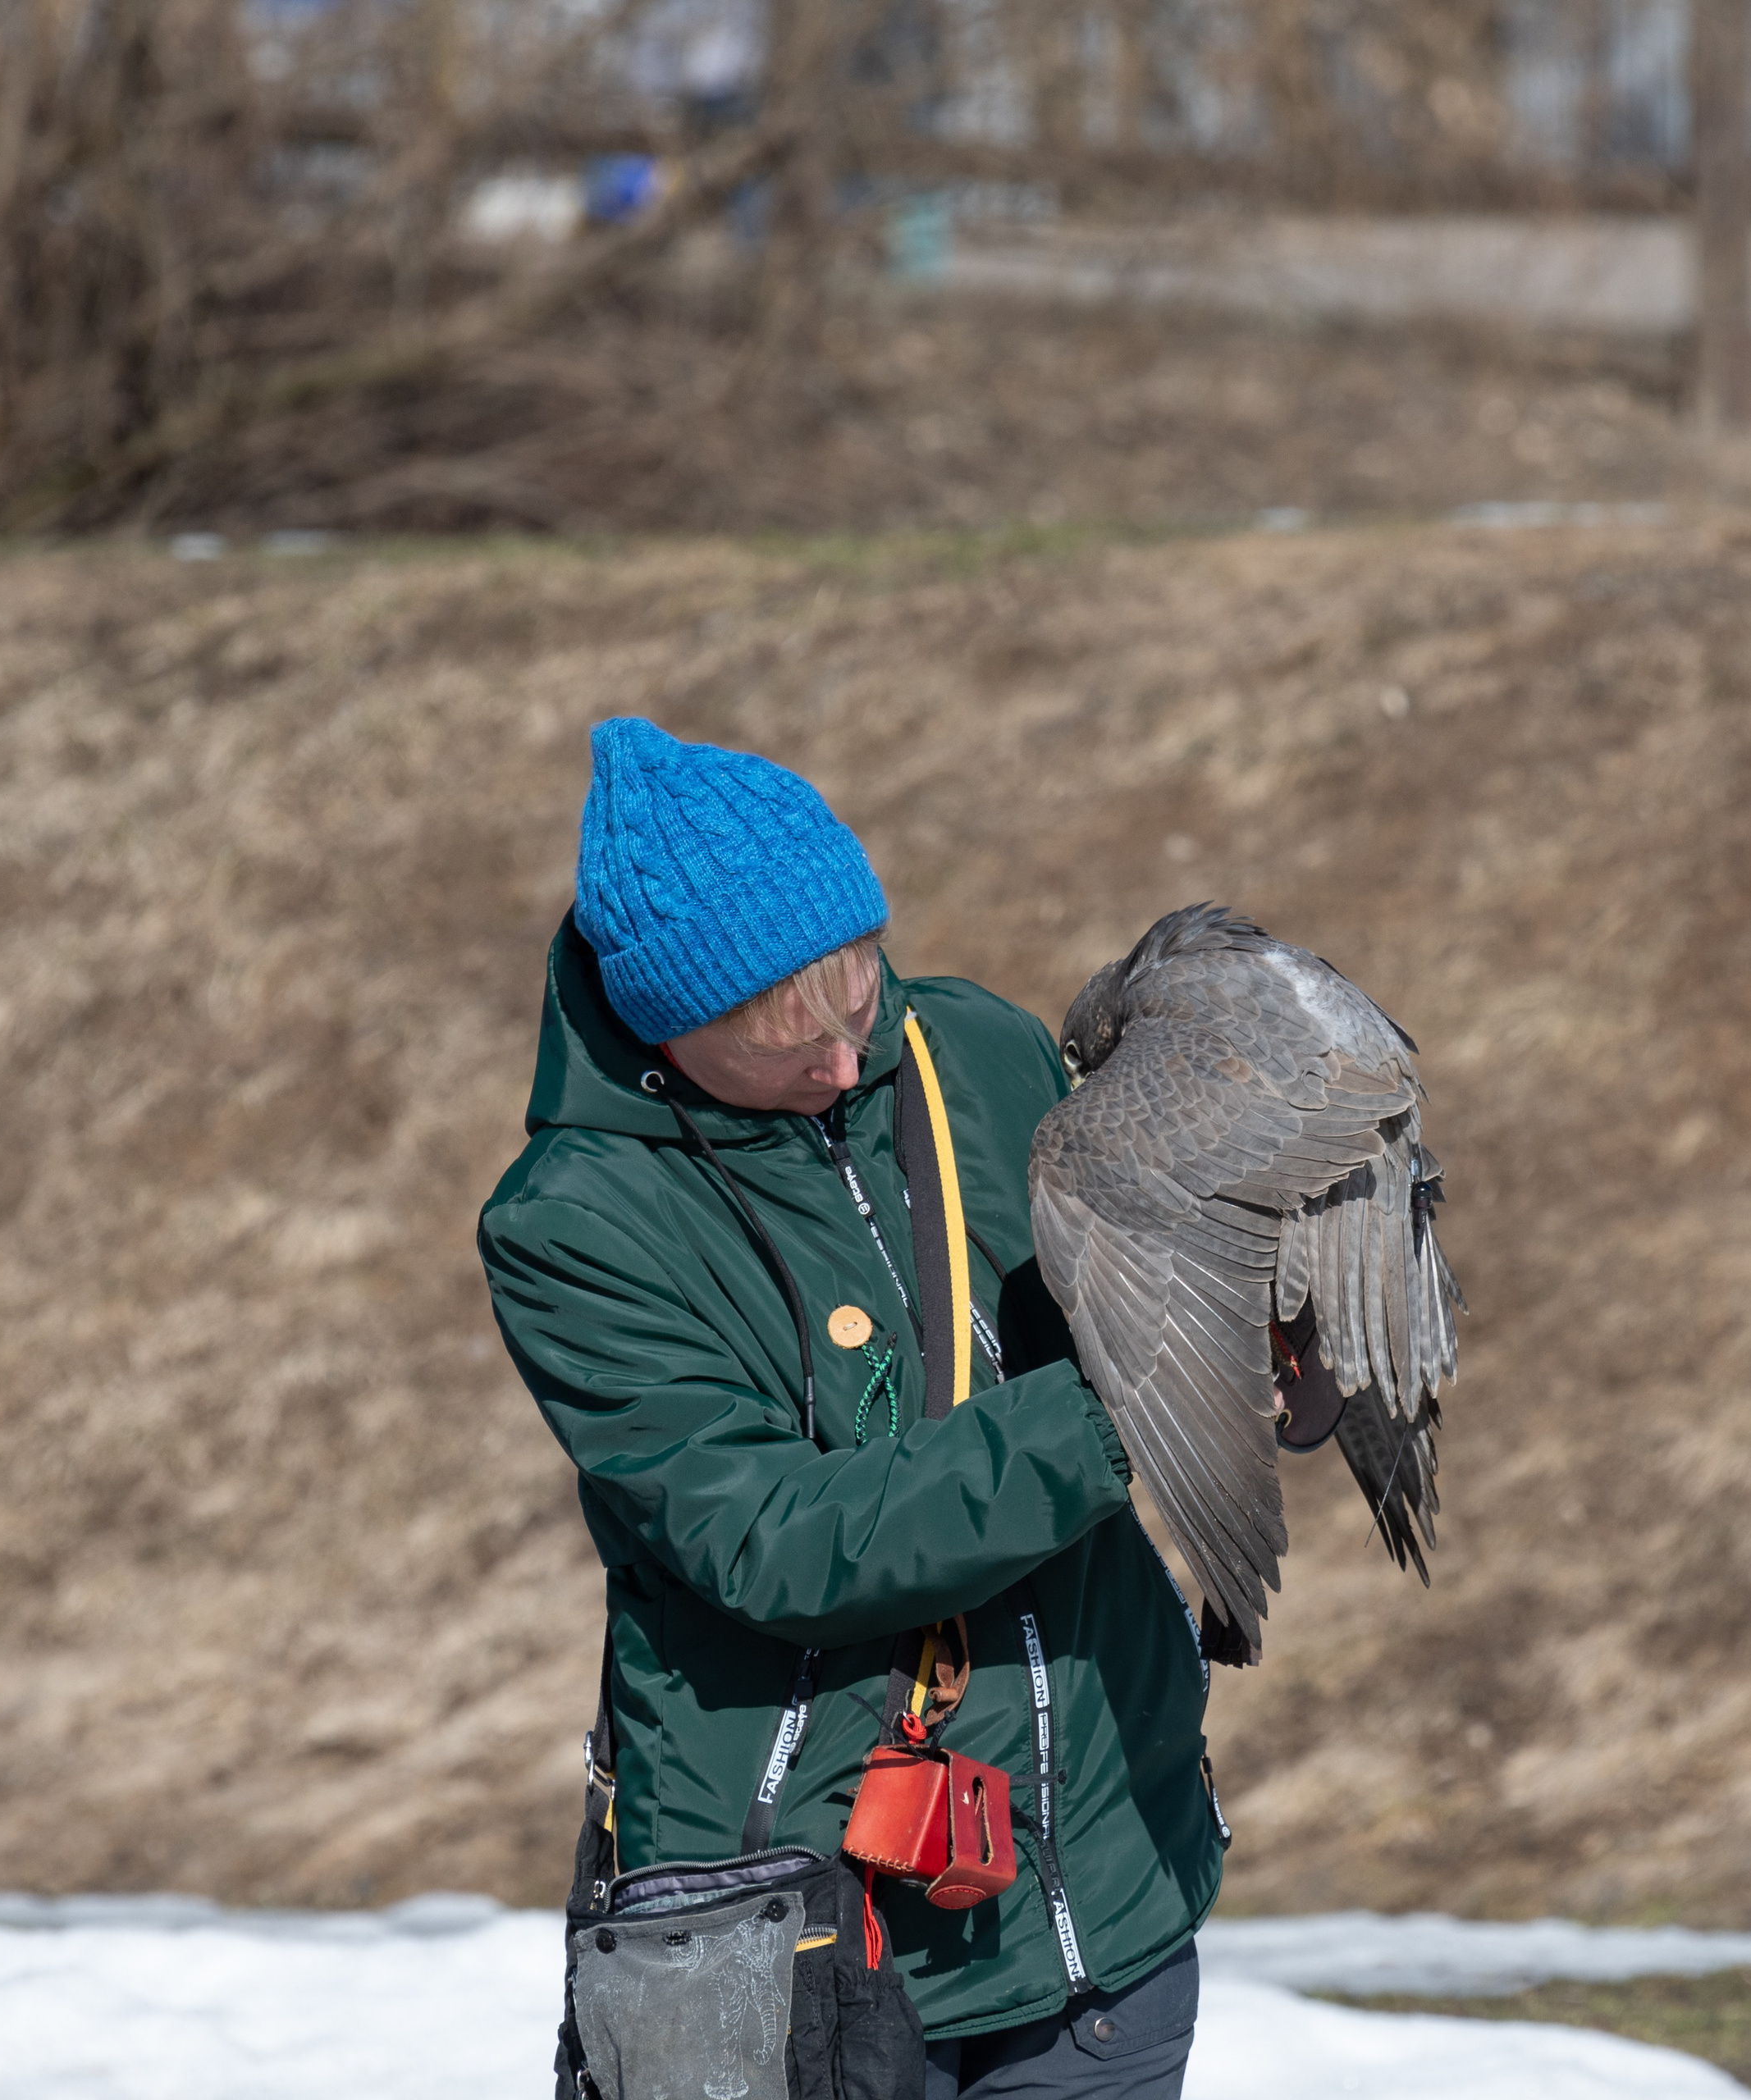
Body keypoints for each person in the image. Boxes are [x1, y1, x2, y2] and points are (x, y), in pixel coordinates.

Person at [479, 718, 1225, 2099]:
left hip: (1104, 1921)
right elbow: (782, 1541)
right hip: (798, 1946)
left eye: (856, 999)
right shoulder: (573, 1224)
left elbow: (1150, 1314)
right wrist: (1157, 1400)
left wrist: (1282, 1371)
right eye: (778, 1044)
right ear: (663, 1029)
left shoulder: (982, 1054)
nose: (838, 1062)